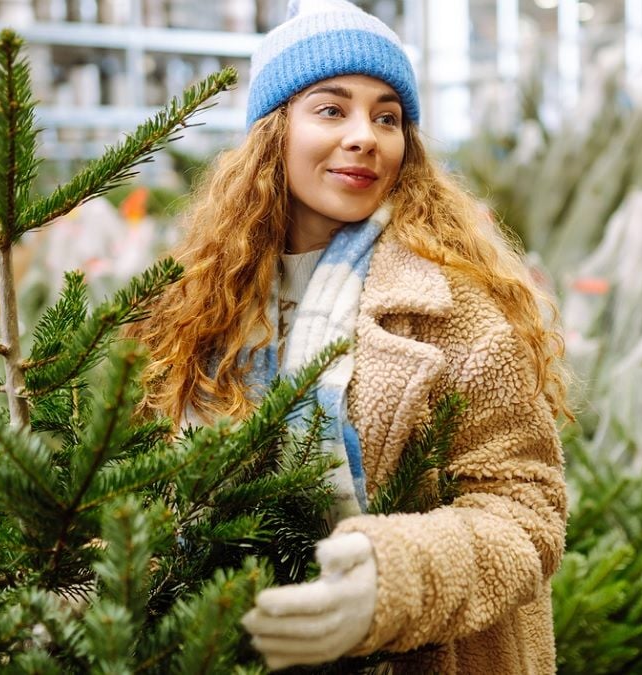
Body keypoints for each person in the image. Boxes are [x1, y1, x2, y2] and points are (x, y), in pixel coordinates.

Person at [138, 0, 570, 672]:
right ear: (273, 132)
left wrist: (392, 581)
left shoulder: (453, 308)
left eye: (387, 116)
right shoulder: (205, 305)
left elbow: (528, 513)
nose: (366, 135)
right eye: (332, 109)